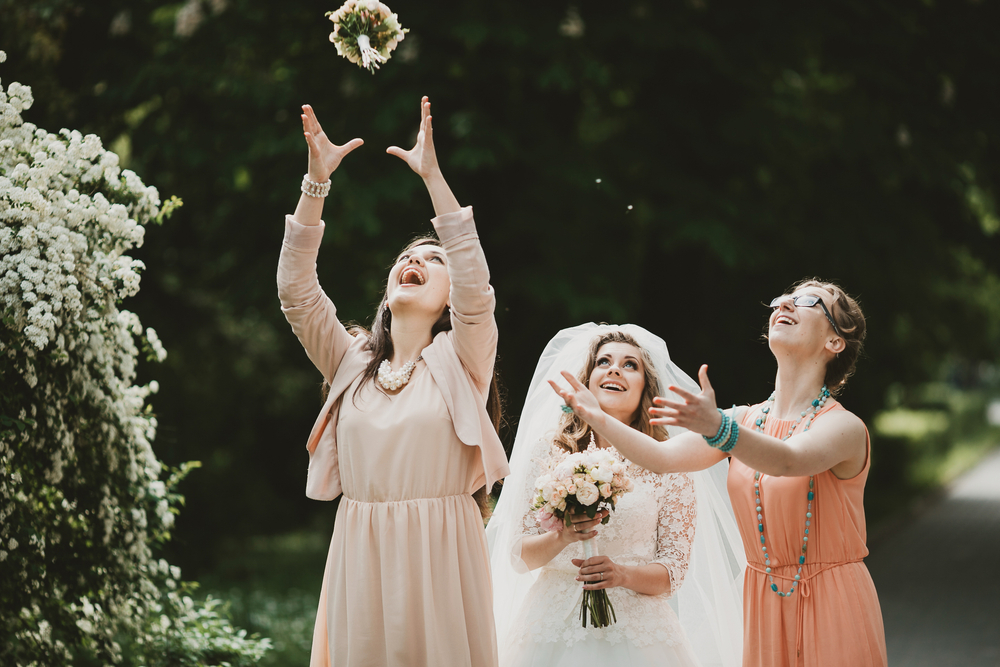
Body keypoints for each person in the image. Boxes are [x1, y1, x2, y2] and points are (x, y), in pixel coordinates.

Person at [277, 97, 509, 667]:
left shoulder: (463, 358)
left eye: (435, 259)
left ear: (452, 298)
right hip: (362, 555)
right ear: (388, 288)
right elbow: (296, 292)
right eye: (409, 256)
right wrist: (315, 184)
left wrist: (433, 177)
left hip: (442, 557)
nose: (418, 260)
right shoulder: (350, 360)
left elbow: (478, 289)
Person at [557, 282, 887, 666]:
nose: (784, 302)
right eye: (784, 297)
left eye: (808, 301)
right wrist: (594, 415)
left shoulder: (843, 427)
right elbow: (661, 457)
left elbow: (786, 461)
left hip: (832, 600)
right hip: (762, 601)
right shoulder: (743, 420)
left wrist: (718, 429)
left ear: (835, 342)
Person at [487, 324, 745, 667]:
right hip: (550, 628)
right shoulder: (549, 452)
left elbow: (674, 570)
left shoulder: (669, 463)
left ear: (645, 389)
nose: (614, 369)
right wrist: (563, 535)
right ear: (590, 380)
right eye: (604, 362)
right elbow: (519, 556)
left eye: (630, 365)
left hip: (639, 633)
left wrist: (621, 575)